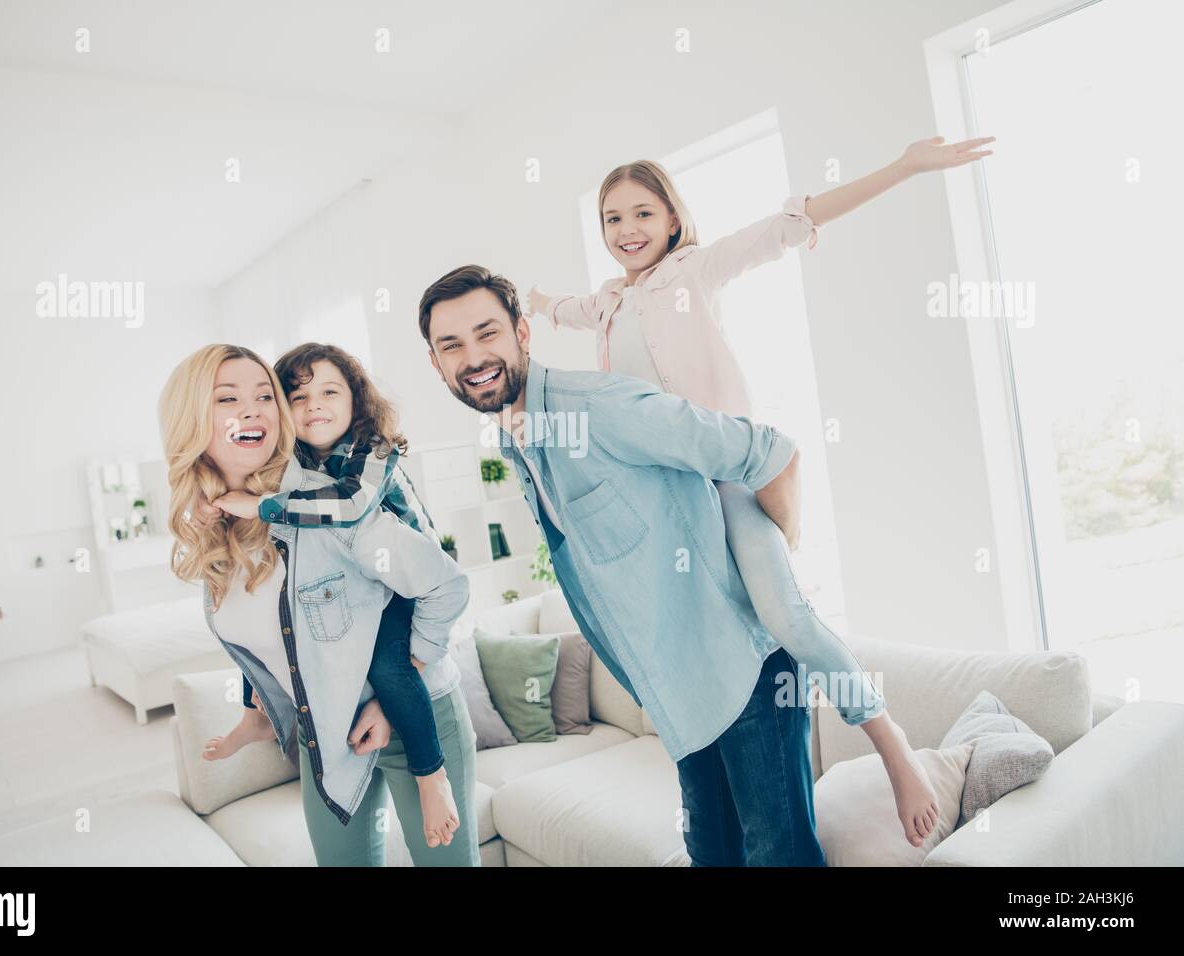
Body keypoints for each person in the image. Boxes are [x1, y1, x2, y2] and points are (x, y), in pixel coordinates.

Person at [523, 137, 993, 846]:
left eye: (643, 213)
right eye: (612, 219)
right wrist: (513, 303)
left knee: (789, 619)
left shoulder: (697, 269)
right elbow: (543, 307)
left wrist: (904, 167)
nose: (628, 231)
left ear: (674, 219)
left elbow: (790, 223)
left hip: (730, 483)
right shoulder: (607, 305)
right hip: (667, 510)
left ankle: (893, 749)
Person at [158, 343, 480, 865]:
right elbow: (271, 639)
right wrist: (260, 712)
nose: (252, 409)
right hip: (325, 738)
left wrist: (401, 683)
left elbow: (446, 584)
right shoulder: (219, 523)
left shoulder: (330, 500)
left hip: (414, 714)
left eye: (264, 395)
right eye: (226, 398)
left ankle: (431, 770)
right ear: (192, 418)